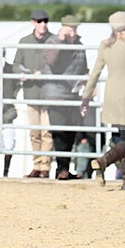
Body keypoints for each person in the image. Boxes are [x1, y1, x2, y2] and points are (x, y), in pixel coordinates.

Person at [81, 11, 125, 190]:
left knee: (123, 136)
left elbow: (95, 73)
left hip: (111, 94)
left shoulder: (104, 45)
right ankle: (103, 161)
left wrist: (86, 96)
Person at [42, 15, 88, 180]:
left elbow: (84, 68)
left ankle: (65, 169)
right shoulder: (53, 42)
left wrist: (86, 83)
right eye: (70, 28)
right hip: (56, 95)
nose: (73, 32)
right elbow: (50, 60)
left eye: (75, 28)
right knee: (59, 134)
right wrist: (61, 41)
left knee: (70, 134)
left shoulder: (80, 46)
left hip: (74, 95)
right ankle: (61, 169)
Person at [13, 9, 55, 178]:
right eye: (39, 21)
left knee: (47, 132)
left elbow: (59, 65)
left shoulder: (54, 41)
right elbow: (16, 64)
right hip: (31, 93)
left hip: (48, 94)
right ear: (33, 22)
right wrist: (25, 73)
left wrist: (44, 73)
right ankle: (37, 165)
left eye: (45, 20)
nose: (43, 24)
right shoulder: (24, 41)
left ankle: (45, 166)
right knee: (34, 132)